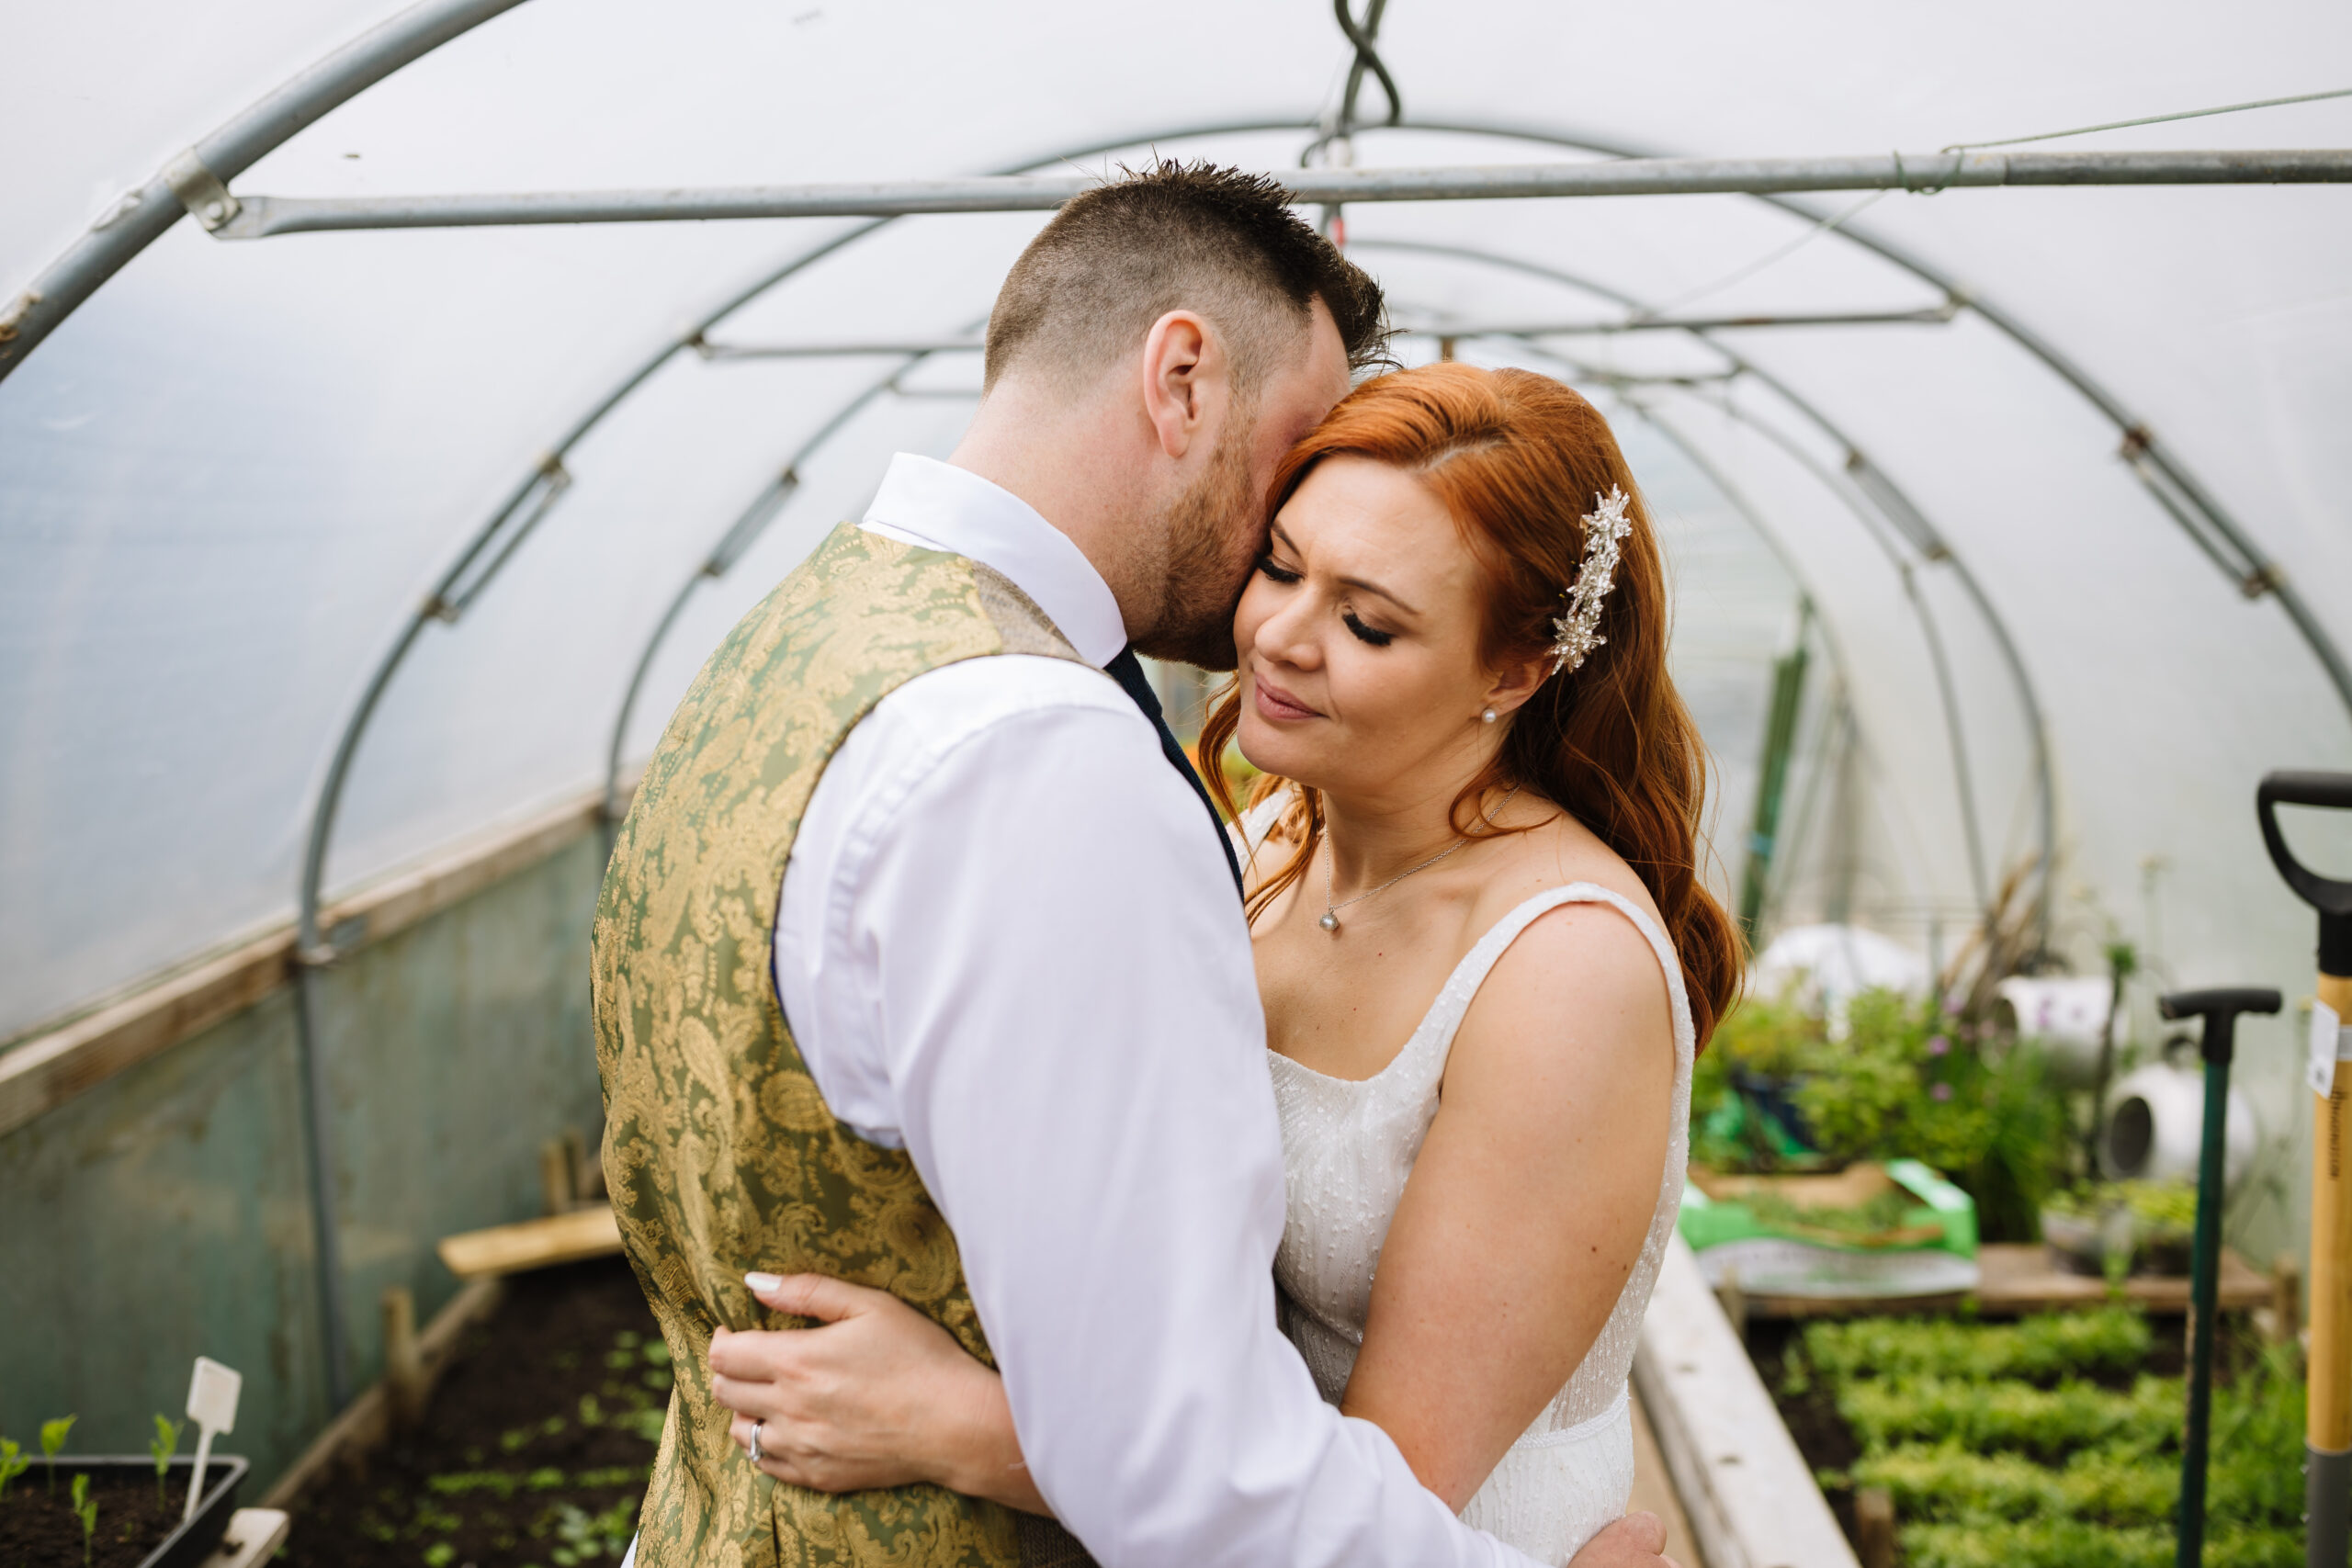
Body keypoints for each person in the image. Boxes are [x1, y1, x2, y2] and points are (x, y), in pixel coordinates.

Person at [595, 158, 1693, 1568]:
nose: (1275, 627)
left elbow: (1264, 1468)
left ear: (1515, 670)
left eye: (1369, 620)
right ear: (1182, 379)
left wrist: (968, 1423)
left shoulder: (806, 647)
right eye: (1284, 545)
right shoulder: (1208, 825)